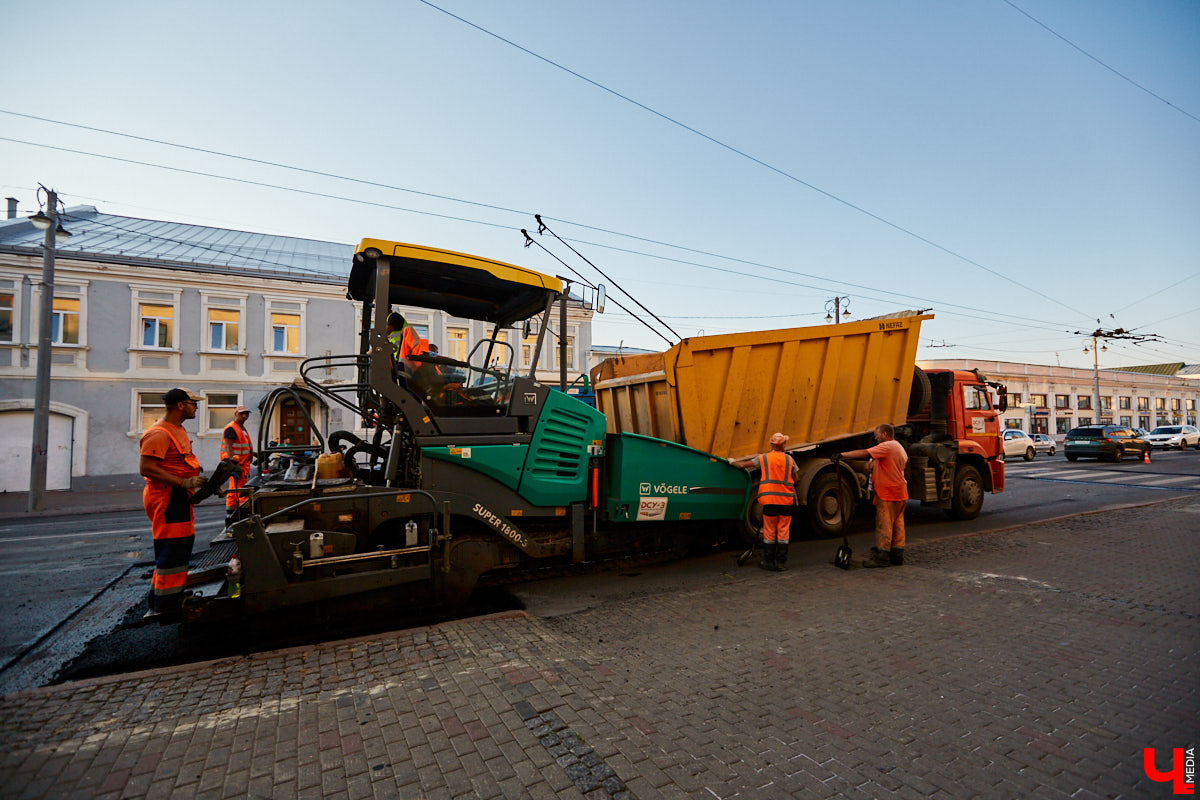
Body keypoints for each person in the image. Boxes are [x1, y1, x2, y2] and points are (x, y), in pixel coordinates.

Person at [139, 388, 206, 612]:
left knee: (179, 545)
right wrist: (184, 483)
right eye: (192, 403)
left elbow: (178, 462)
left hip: (176, 496)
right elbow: (147, 468)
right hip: (167, 497)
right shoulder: (159, 433)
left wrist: (192, 478)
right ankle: (167, 603)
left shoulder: (177, 430)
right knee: (172, 547)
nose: (196, 406)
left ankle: (163, 595)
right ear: (180, 405)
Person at [840, 423, 909, 567]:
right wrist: (871, 466)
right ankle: (897, 555)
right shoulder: (898, 448)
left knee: (884, 524)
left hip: (888, 492)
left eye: (876, 434)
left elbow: (865, 452)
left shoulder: (887, 446)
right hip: (900, 491)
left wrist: (842, 455)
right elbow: (882, 465)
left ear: (884, 434)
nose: (875, 437)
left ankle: (882, 556)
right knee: (898, 524)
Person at [729, 432, 799, 571]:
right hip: (785, 501)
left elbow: (743, 466)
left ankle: (768, 561)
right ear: (783, 445)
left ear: (772, 444)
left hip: (769, 501)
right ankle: (781, 563)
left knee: (769, 531)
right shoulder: (790, 460)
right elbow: (796, 478)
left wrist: (732, 462)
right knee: (783, 531)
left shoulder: (764, 459)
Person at [220, 405, 254, 521]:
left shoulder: (242, 428)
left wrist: (252, 455)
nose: (244, 415)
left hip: (243, 465)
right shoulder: (231, 428)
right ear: (236, 414)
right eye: (242, 413)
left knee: (238, 490)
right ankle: (235, 517)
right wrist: (233, 464)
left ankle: (235, 516)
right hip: (237, 466)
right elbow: (229, 447)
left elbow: (244, 446)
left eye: (246, 413)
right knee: (237, 490)